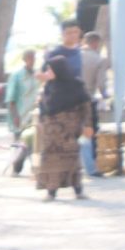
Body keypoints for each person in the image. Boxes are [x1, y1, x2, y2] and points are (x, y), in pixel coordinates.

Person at [34, 40, 93, 202]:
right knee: (50, 162)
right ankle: (51, 192)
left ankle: (78, 190)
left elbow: (86, 106)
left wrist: (88, 125)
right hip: (51, 134)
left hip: (68, 132)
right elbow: (44, 106)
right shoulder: (49, 87)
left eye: (50, 69)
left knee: (72, 160)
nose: (48, 72)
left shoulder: (76, 85)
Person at [5, 48, 41, 174]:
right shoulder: (16, 76)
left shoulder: (37, 74)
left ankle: (35, 168)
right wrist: (15, 116)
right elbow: (10, 99)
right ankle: (16, 167)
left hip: (33, 115)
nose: (32, 61)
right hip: (20, 114)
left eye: (34, 58)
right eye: (30, 58)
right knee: (21, 144)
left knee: (33, 142)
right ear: (25, 60)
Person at [79, 28, 109, 175]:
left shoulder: (75, 55)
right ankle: (91, 167)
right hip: (87, 99)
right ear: (96, 43)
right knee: (88, 132)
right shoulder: (99, 59)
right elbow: (101, 83)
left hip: (69, 100)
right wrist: (106, 96)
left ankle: (75, 165)